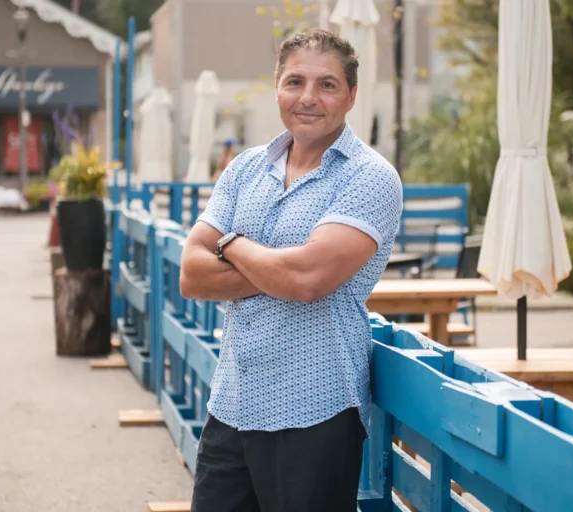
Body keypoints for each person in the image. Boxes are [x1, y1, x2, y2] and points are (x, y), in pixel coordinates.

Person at [180, 29, 403, 512]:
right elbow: (192, 275)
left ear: (351, 96)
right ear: (276, 87)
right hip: (233, 402)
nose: (308, 98)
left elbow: (307, 281)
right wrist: (280, 266)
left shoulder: (370, 177)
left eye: (327, 85)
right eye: (295, 82)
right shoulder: (245, 168)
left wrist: (230, 242)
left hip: (315, 408)